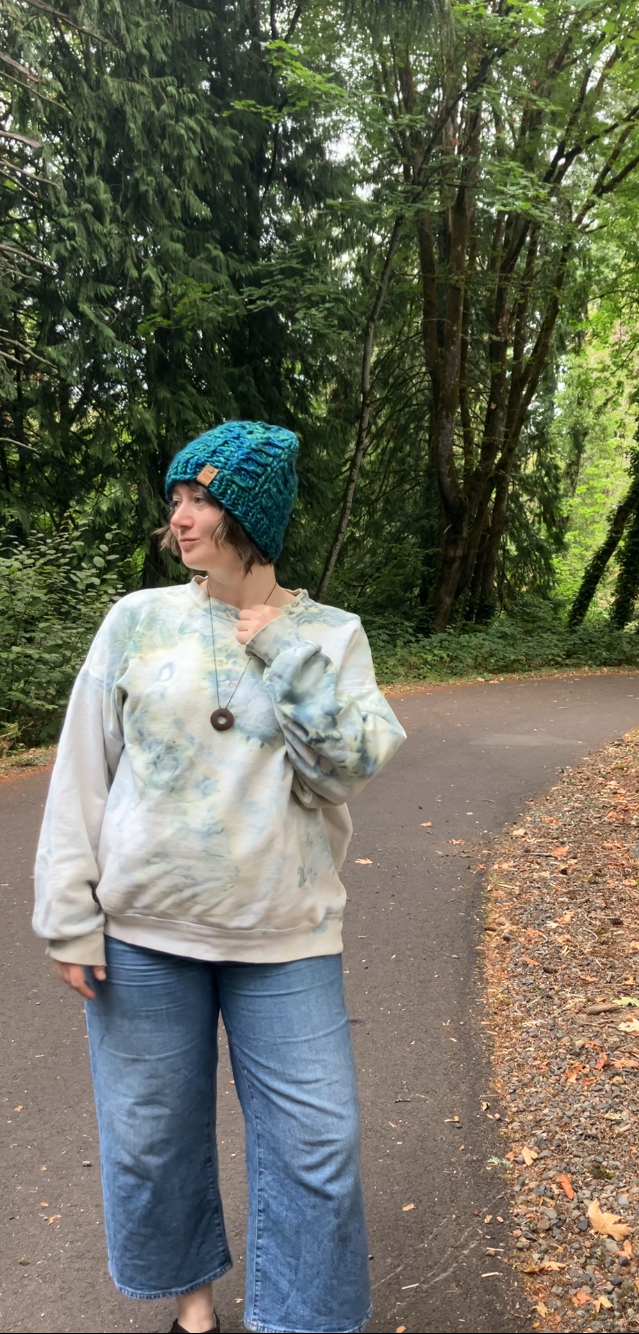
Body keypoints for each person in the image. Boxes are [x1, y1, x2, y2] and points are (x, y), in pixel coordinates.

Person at [32, 420, 406, 1334]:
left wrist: (281, 650)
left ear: (251, 515)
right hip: (145, 934)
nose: (181, 518)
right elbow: (85, 769)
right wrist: (68, 917)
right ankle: (193, 1314)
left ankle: (298, 1321)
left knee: (320, 1146)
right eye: (177, 499)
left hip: (285, 935)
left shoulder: (330, 635)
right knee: (153, 1140)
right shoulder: (138, 620)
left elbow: (345, 768)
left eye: (202, 499)